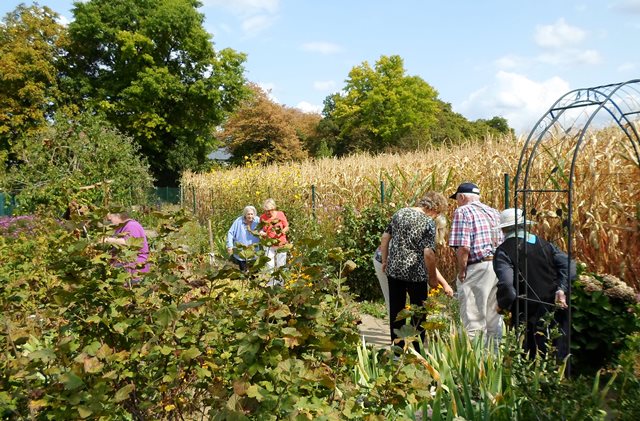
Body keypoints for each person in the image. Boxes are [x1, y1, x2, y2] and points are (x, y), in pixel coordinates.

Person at [493, 208, 573, 360]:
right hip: (552, 307)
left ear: (503, 229)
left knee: (528, 356)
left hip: (525, 312)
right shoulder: (545, 244)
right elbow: (569, 265)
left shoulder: (503, 251)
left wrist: (503, 305)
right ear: (525, 225)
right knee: (554, 353)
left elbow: (507, 286)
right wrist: (561, 289)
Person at [380, 191, 454, 350]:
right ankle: (416, 351)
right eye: (438, 213)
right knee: (419, 314)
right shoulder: (427, 222)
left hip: (394, 271)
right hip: (416, 274)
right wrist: (433, 279)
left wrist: (385, 261)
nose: (436, 216)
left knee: (396, 312)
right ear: (434, 208)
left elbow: (385, 238)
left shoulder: (400, 213)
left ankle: (397, 350)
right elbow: (428, 253)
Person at [448, 182, 503, 345]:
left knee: (473, 319)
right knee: (494, 319)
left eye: (457, 199)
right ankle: (495, 361)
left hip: (477, 267)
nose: (457, 203)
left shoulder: (462, 211)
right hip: (497, 267)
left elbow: (463, 247)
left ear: (462, 197)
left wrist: (462, 271)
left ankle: (476, 363)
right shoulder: (494, 212)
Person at [103, 209, 150, 281]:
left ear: (118, 216)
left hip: (135, 268)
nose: (110, 221)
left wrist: (107, 240)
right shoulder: (120, 227)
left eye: (110, 219)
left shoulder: (132, 225)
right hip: (125, 266)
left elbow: (127, 243)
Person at [259, 198, 289, 273]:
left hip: (280, 243)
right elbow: (261, 229)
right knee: (269, 265)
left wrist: (282, 231)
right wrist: (262, 232)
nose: (267, 212)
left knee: (281, 265)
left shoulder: (280, 214)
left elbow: (286, 226)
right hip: (268, 244)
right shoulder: (262, 217)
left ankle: (281, 283)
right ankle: (271, 283)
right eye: (265, 211)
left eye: (269, 210)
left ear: (274, 208)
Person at [226, 205, 260, 271]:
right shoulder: (238, 221)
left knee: (254, 274)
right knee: (244, 273)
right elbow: (230, 233)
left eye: (252, 214)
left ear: (254, 214)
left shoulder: (257, 220)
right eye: (248, 214)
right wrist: (230, 245)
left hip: (254, 252)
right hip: (241, 253)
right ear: (245, 214)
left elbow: (264, 230)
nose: (250, 216)